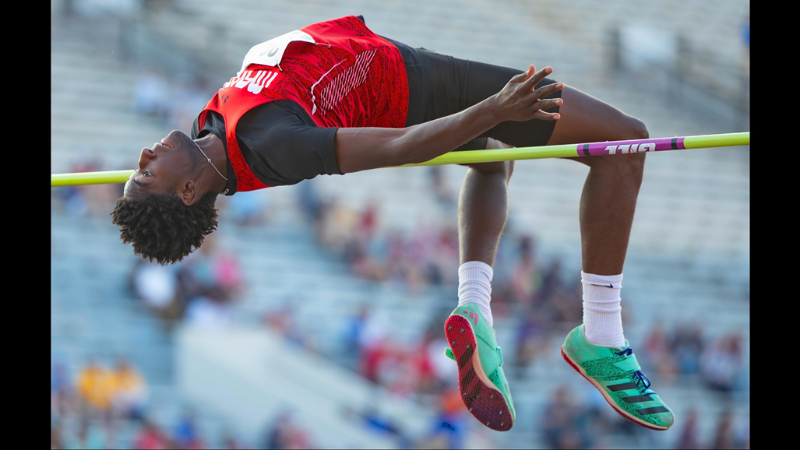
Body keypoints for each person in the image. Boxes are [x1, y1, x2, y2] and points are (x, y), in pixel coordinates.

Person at [111, 15, 672, 431]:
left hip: (401, 70)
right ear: (187, 191)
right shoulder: (268, 146)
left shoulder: (211, 127)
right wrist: (494, 108)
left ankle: (474, 306)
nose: (142, 158)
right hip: (420, 88)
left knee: (493, 155)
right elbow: (402, 145)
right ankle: (601, 333)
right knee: (624, 141)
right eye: (148, 175)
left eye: (138, 169)